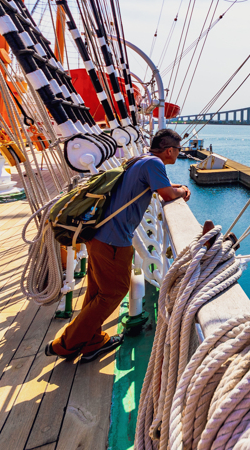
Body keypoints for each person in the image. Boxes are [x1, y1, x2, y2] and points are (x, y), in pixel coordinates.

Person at [47, 128, 190, 363]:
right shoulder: (154, 164)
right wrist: (182, 191)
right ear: (170, 150)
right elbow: (166, 193)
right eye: (178, 150)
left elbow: (158, 185)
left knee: (97, 292)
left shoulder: (140, 160)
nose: (177, 155)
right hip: (114, 240)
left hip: (99, 235)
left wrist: (174, 186)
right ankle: (66, 344)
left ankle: (93, 341)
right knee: (113, 292)